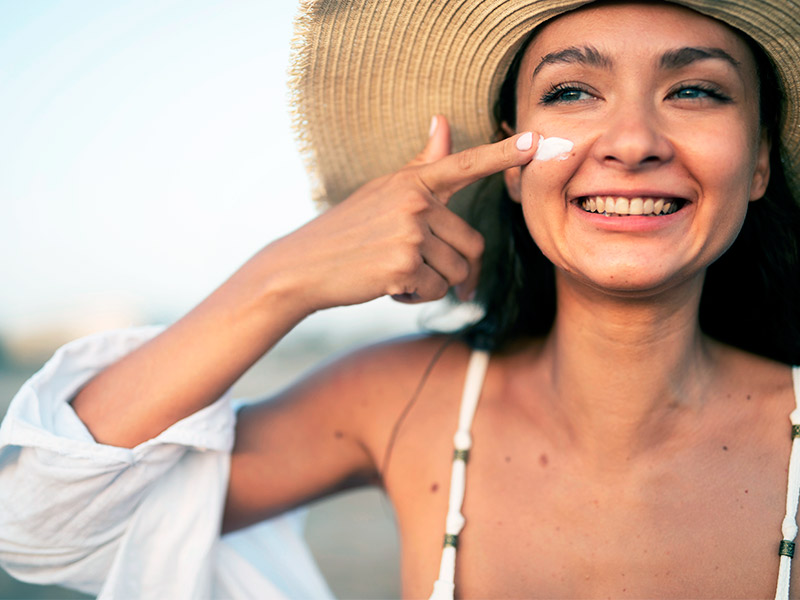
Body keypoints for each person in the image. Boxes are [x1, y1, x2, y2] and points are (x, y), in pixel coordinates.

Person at [2, 0, 800, 598]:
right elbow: (37, 524)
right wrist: (282, 278)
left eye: (695, 91)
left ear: (758, 161)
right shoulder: (406, 401)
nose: (632, 142)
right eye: (570, 93)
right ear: (510, 162)